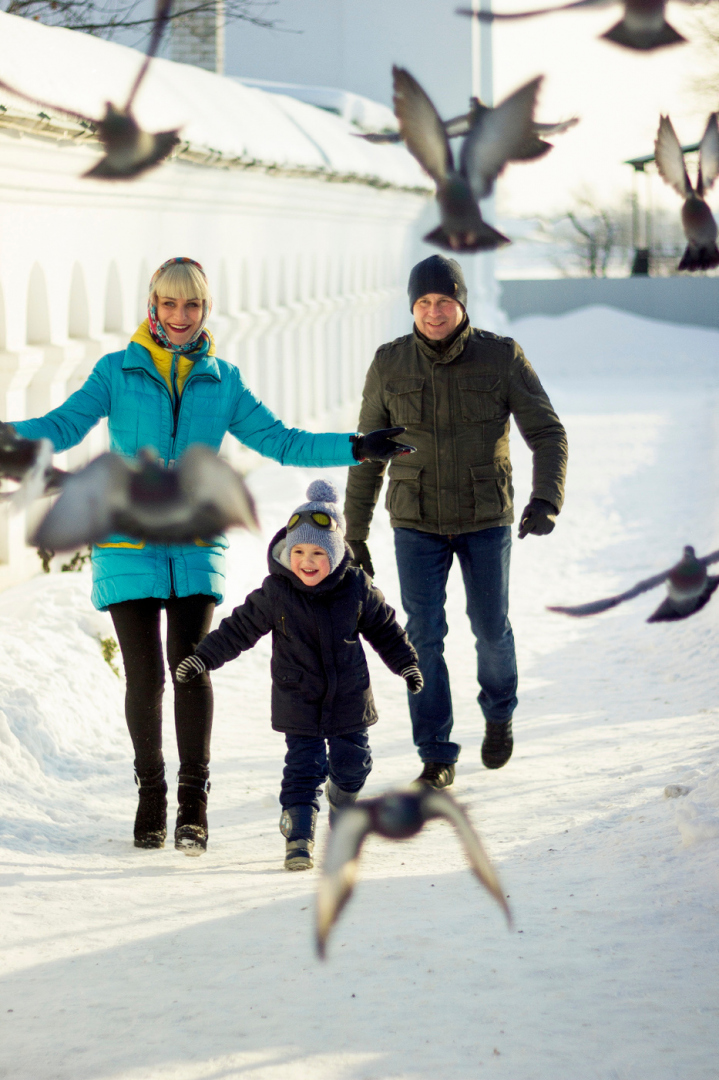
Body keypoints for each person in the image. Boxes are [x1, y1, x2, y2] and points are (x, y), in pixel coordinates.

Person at [12, 257, 411, 854]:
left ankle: (194, 803)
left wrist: (356, 445)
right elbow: (63, 425)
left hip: (196, 545)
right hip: (128, 542)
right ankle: (152, 795)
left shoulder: (223, 381)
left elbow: (281, 439)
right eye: (170, 304)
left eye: (192, 305)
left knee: (190, 672)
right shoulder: (116, 372)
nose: (180, 316)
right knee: (145, 678)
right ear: (153, 307)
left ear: (205, 310)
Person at [344, 254, 568, 789]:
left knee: (490, 628)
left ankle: (499, 710)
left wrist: (547, 499)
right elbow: (367, 450)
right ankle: (436, 753)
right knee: (422, 635)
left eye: (444, 300)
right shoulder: (389, 364)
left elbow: (548, 432)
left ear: (461, 303)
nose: (434, 311)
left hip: (485, 518)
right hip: (416, 520)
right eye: (423, 302)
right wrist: (354, 532)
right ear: (412, 307)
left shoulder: (501, 357)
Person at [175, 479, 422, 871]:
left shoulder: (356, 587)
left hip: (349, 699)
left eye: (318, 553)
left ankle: (343, 804)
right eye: (299, 551)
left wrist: (406, 664)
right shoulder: (276, 592)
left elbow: (385, 629)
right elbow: (237, 629)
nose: (307, 561)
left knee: (353, 763)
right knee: (303, 770)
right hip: (298, 698)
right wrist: (202, 658)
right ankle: (299, 837)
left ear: (337, 553)